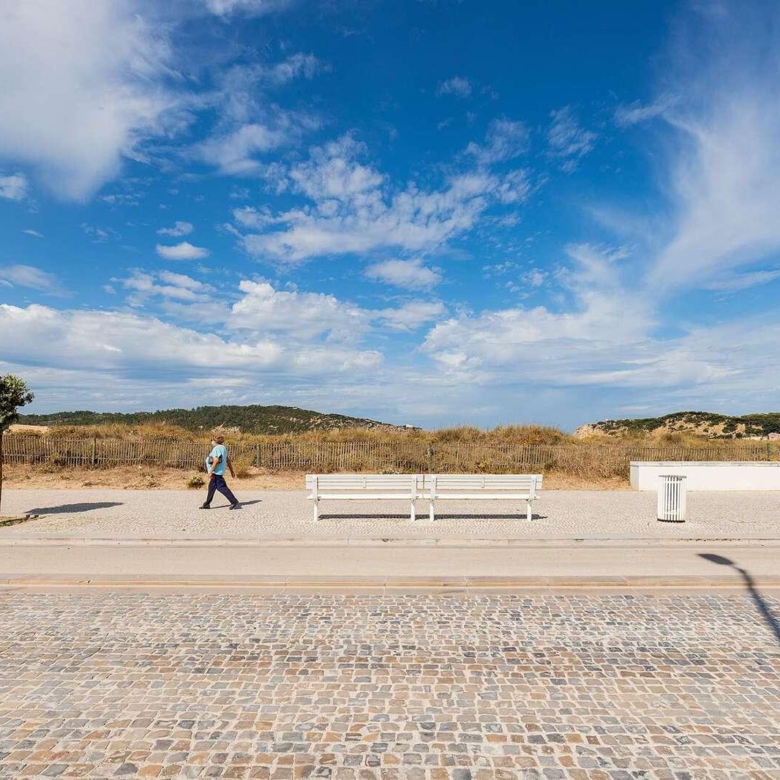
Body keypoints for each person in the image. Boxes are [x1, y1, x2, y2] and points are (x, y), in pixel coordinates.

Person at [200, 435, 240, 510]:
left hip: (216, 472)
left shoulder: (217, 448)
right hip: (218, 472)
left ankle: (234, 501)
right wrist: (232, 471)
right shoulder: (223, 448)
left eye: (212, 440)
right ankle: (207, 504)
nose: (211, 442)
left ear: (215, 441)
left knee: (222, 487)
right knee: (211, 488)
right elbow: (227, 460)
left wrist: (211, 471)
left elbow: (216, 460)